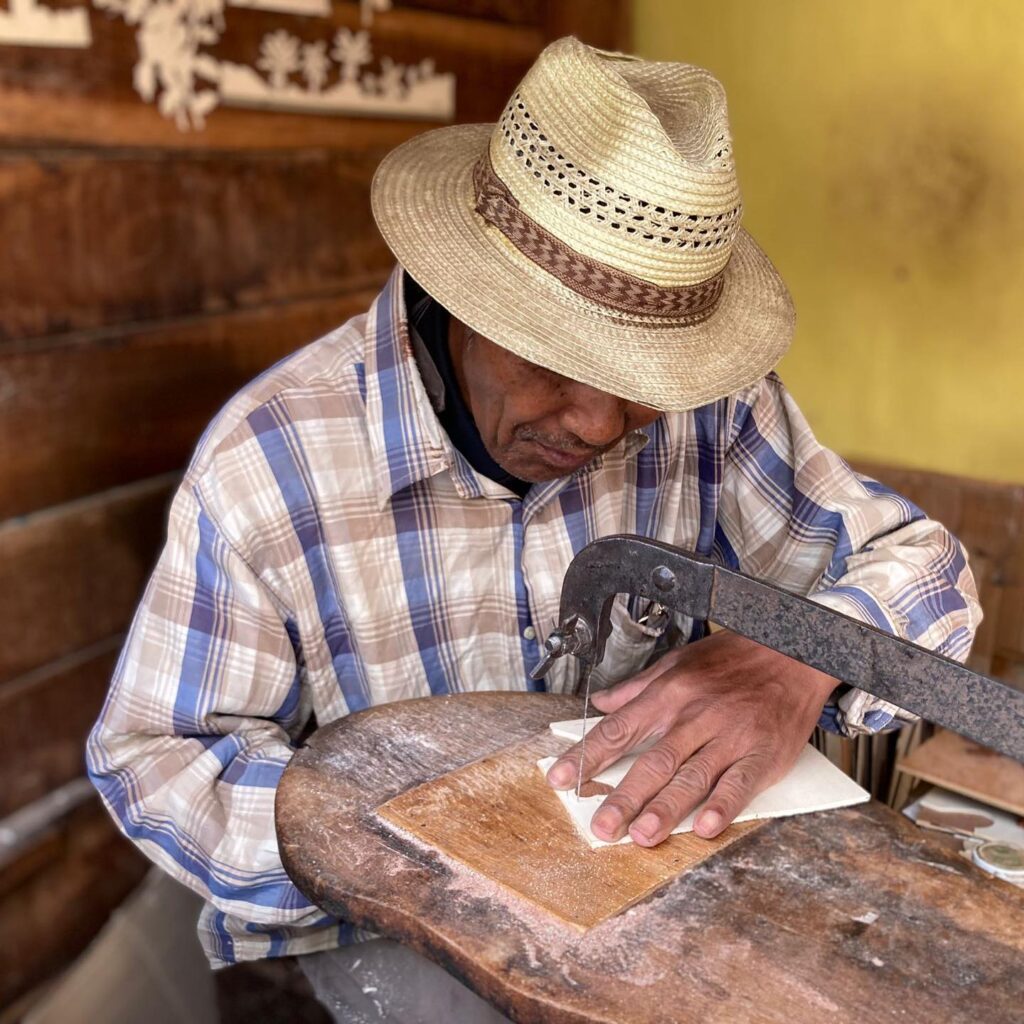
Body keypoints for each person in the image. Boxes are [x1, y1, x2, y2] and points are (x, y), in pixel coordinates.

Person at [87, 36, 979, 1022]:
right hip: (385, 932)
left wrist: (791, 662)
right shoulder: (270, 462)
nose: (597, 424)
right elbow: (161, 762)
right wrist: (429, 851)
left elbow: (924, 567)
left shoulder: (713, 409)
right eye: (555, 362)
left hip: (658, 908)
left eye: (638, 383)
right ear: (465, 291)